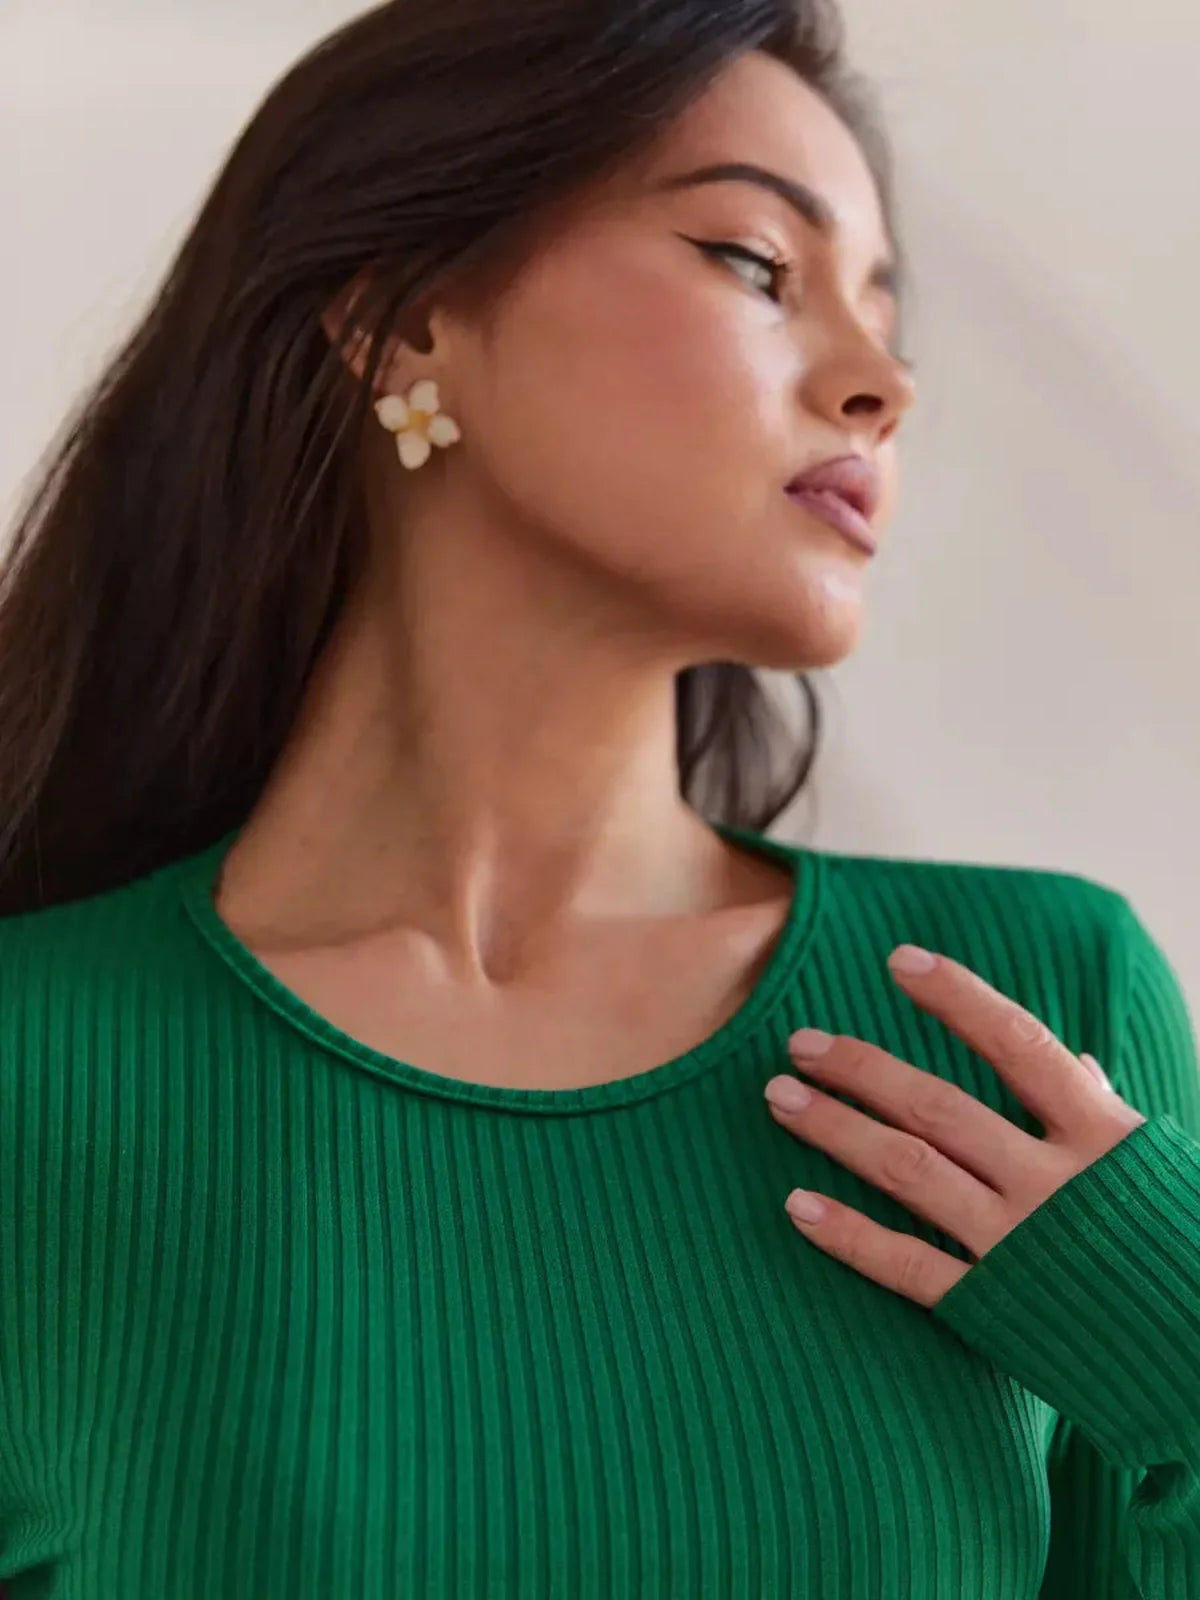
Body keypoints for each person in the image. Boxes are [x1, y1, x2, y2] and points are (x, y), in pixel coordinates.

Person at [0, 0, 1197, 1595]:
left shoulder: (1025, 1017)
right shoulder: (38, 1072)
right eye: (758, 265)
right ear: (409, 322)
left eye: (888, 324)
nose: (877, 387)